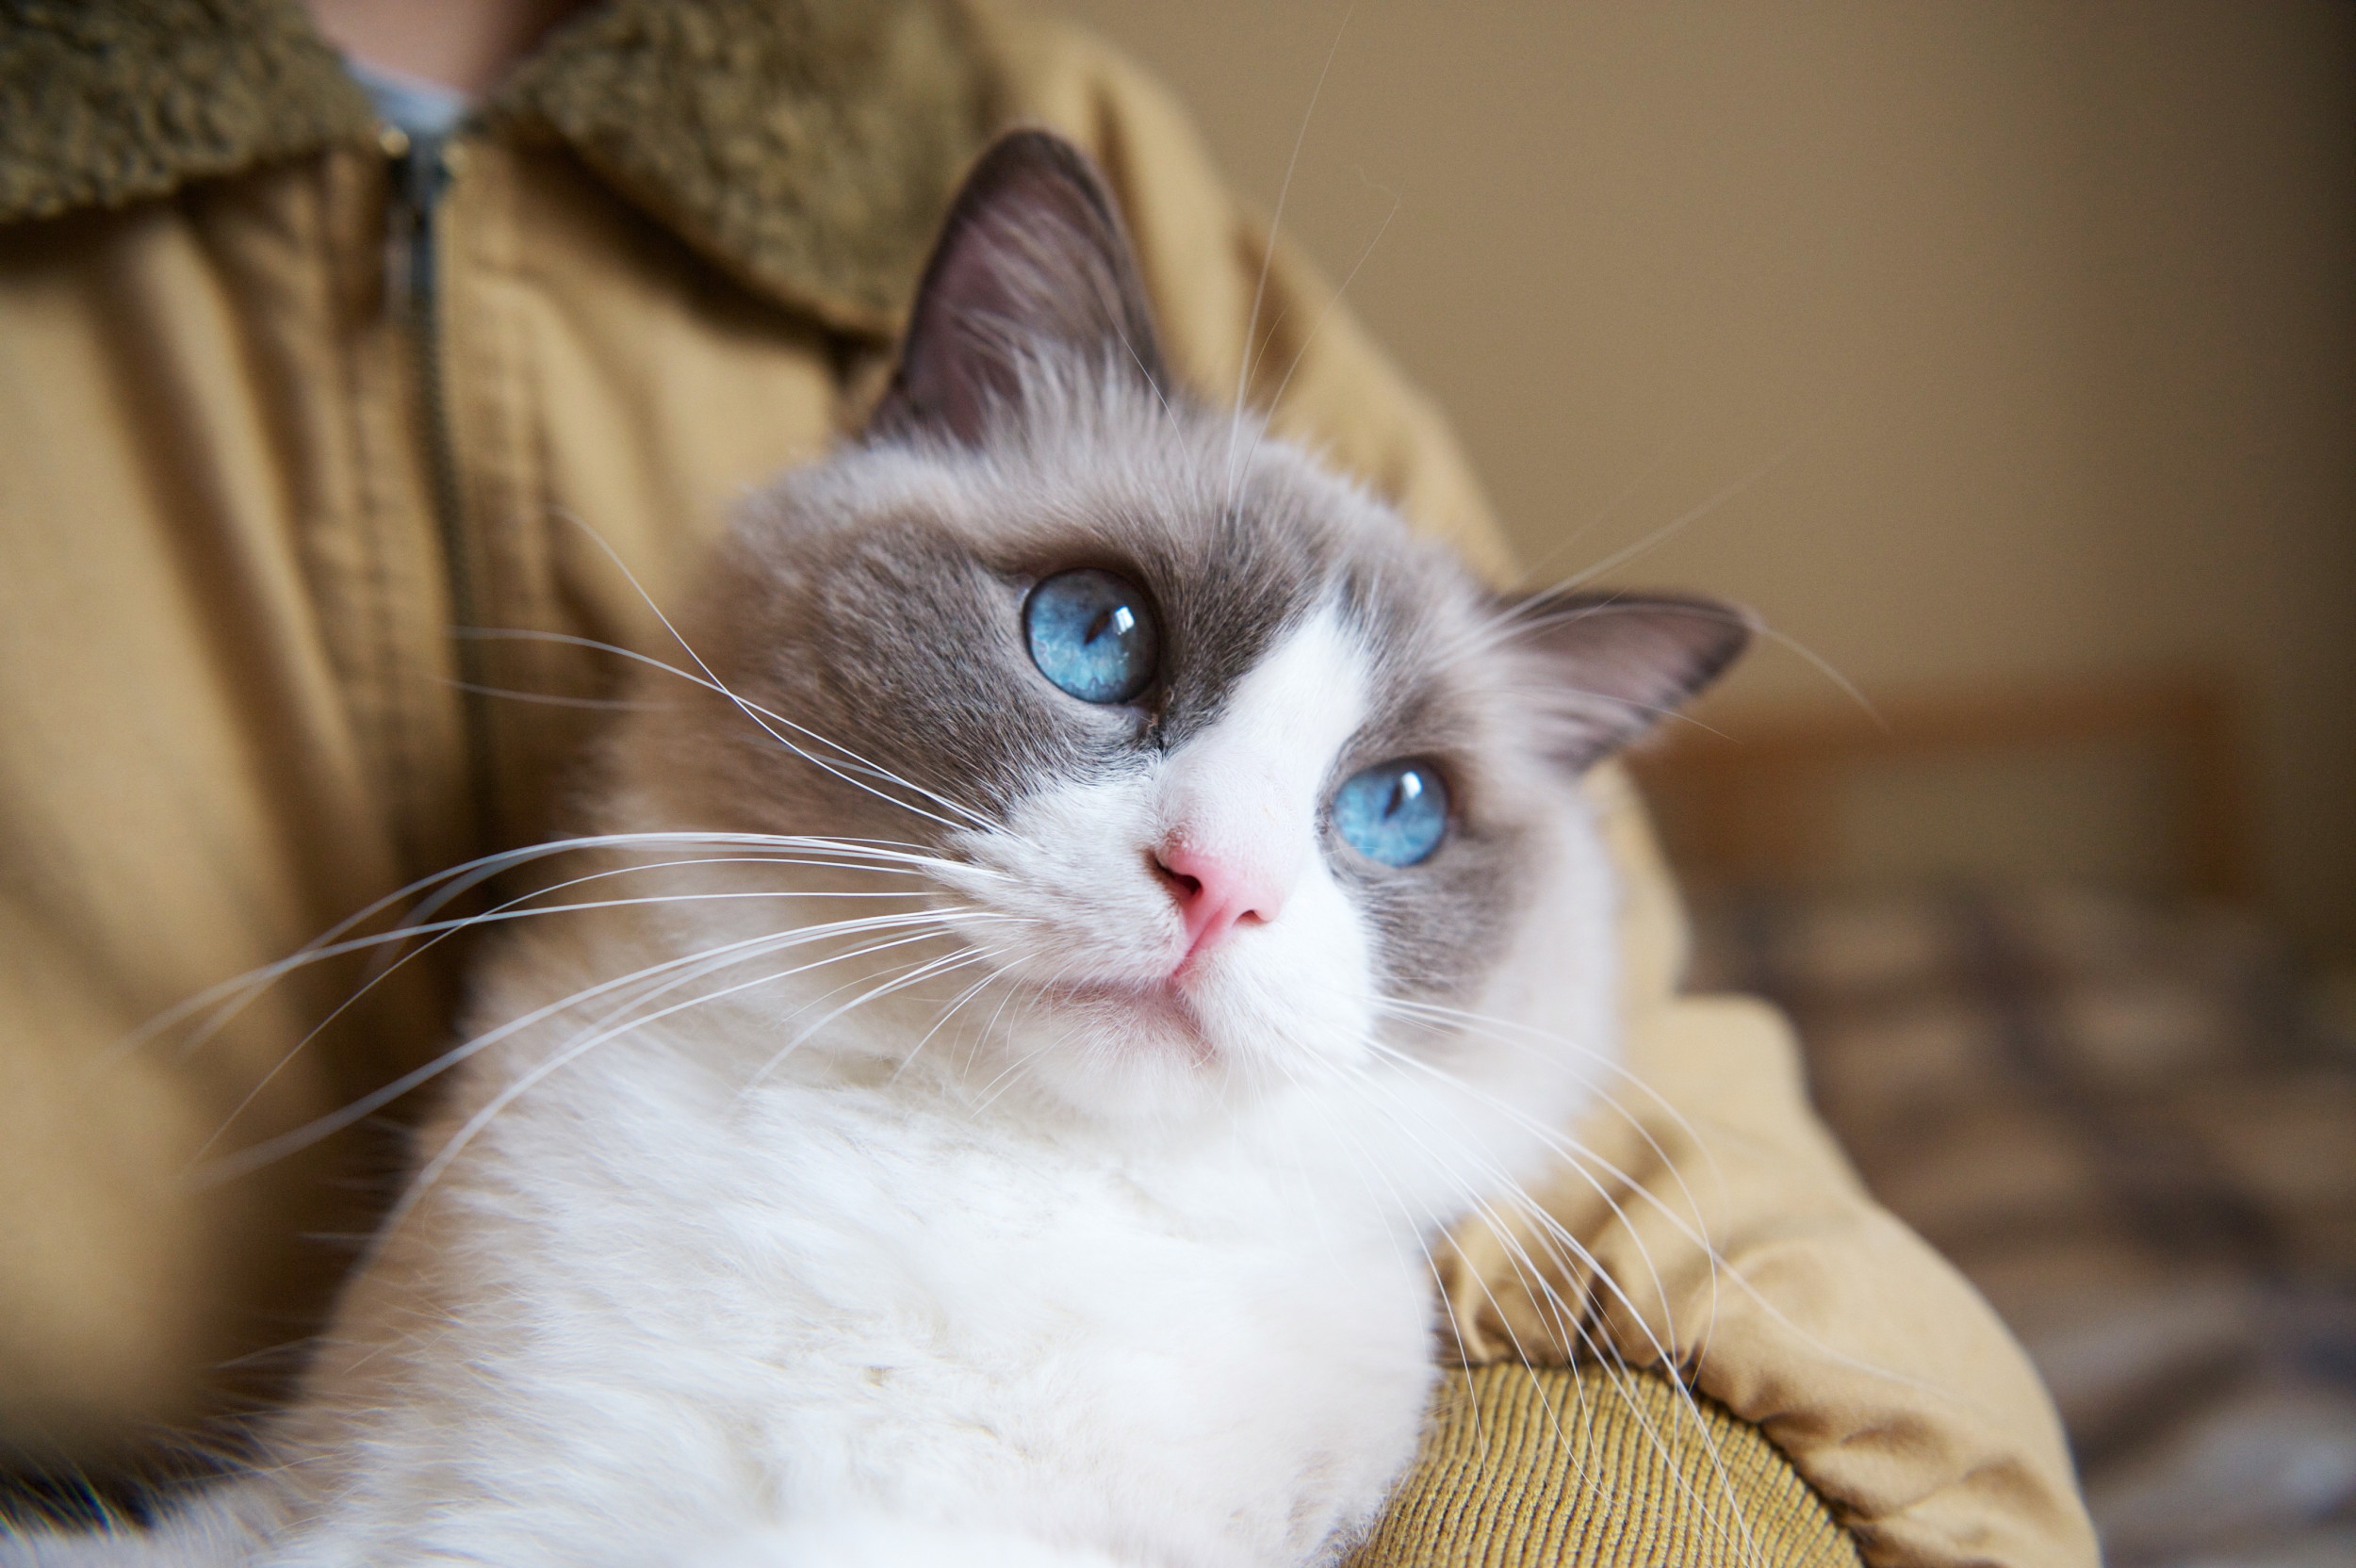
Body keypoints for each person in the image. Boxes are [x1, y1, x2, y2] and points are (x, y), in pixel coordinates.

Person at [0, 2, 2092, 1560]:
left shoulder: (1000, 75)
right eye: (1099, 635)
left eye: (1394, 810)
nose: (1220, 872)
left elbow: (1690, 1163)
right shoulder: (592, 1114)